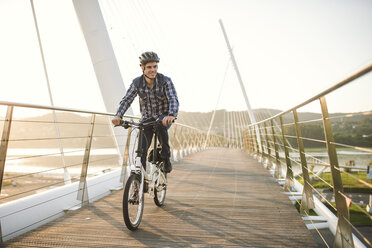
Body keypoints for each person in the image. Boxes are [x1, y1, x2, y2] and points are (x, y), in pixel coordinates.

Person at [112, 51, 179, 173]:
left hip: (163, 117)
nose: (153, 70)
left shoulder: (165, 81)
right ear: (142, 68)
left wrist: (171, 115)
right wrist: (118, 115)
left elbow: (172, 98)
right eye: (149, 67)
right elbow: (127, 100)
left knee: (160, 125)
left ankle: (165, 157)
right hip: (146, 119)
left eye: (155, 67)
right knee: (141, 151)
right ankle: (140, 180)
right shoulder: (137, 83)